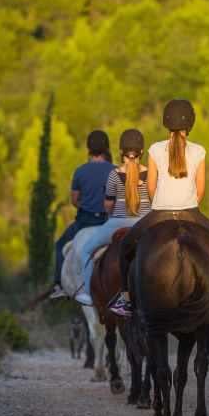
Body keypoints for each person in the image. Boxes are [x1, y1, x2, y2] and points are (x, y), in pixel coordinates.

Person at [109, 99, 209, 318]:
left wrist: (163, 204)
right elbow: (200, 191)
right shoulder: (199, 151)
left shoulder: (154, 149)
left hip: (159, 214)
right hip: (191, 212)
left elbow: (151, 188)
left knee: (126, 246)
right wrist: (187, 204)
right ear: (190, 124)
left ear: (166, 123)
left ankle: (125, 298)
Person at [73, 129, 151, 305]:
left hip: (117, 222)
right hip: (144, 224)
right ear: (142, 152)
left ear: (121, 152)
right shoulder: (151, 174)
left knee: (87, 249)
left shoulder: (115, 174)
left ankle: (88, 294)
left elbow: (108, 206)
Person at [50, 130, 115, 299]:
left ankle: (59, 285)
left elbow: (74, 200)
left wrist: (88, 204)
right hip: (109, 222)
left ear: (88, 149)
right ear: (107, 148)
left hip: (85, 221)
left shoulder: (80, 171)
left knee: (59, 246)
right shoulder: (117, 171)